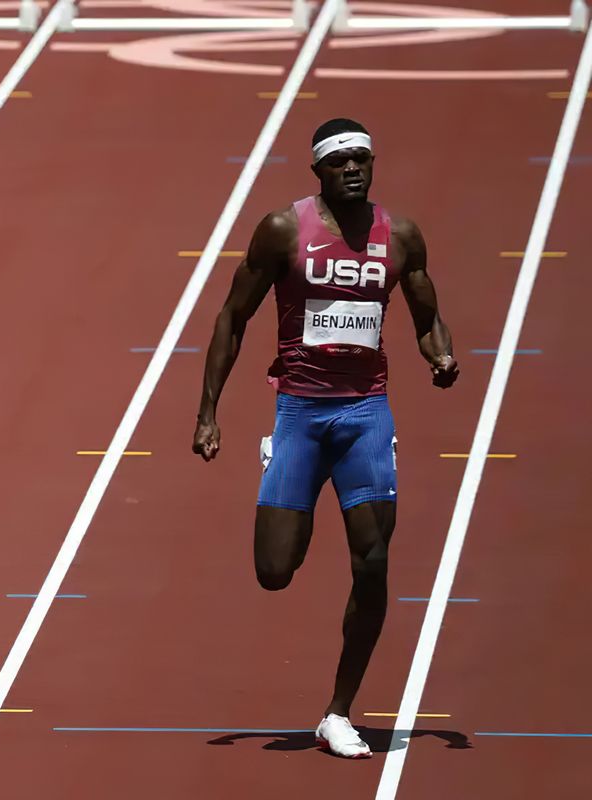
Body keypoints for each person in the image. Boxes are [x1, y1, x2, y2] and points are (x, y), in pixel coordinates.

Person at [192, 118, 459, 758]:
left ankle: (338, 712)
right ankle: (291, 478)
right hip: (300, 413)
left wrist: (440, 357)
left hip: (366, 412)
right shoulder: (284, 230)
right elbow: (233, 317)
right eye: (340, 163)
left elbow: (427, 316)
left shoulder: (401, 237)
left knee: (372, 559)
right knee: (275, 571)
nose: (354, 170)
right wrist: (209, 411)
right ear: (319, 172)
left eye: (363, 159)